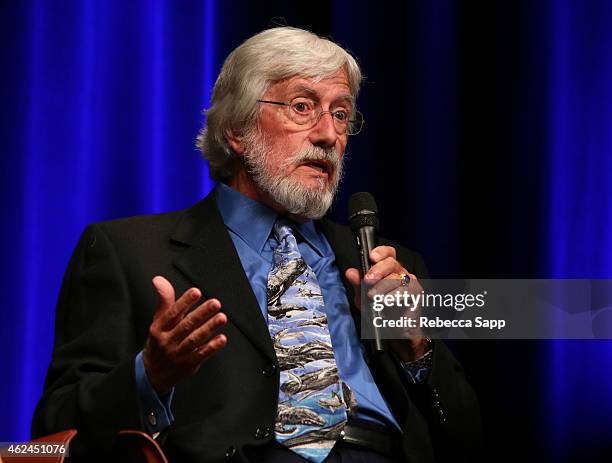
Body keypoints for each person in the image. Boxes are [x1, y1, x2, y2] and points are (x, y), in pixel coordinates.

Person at [32, 27, 483, 462]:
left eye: (341, 114)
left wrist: (417, 348)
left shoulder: (394, 270)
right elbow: (54, 430)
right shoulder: (127, 251)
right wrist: (150, 375)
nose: (328, 135)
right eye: (303, 107)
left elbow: (467, 440)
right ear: (237, 129)